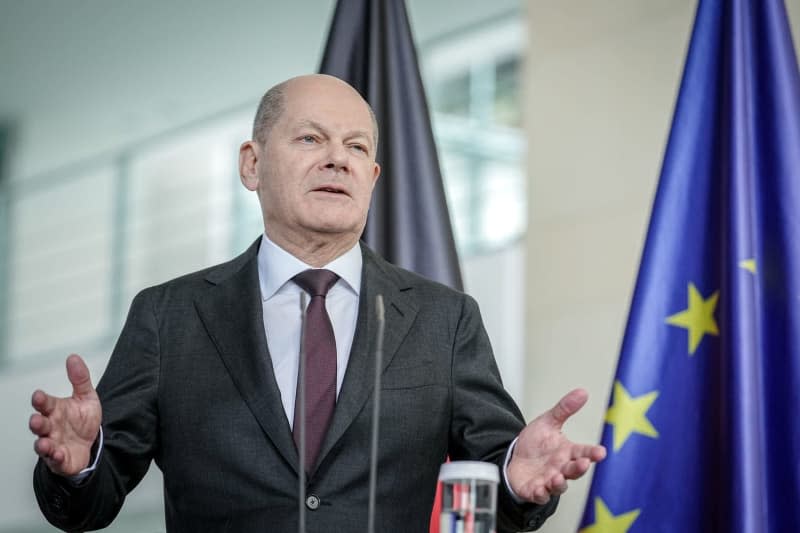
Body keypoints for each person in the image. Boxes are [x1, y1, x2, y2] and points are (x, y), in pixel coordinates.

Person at [29, 74, 606, 532]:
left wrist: (513, 475)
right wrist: (79, 466)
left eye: (356, 146)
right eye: (310, 138)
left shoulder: (444, 318)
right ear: (251, 164)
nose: (337, 159)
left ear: (372, 176)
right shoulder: (169, 316)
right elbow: (88, 505)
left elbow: (492, 492)